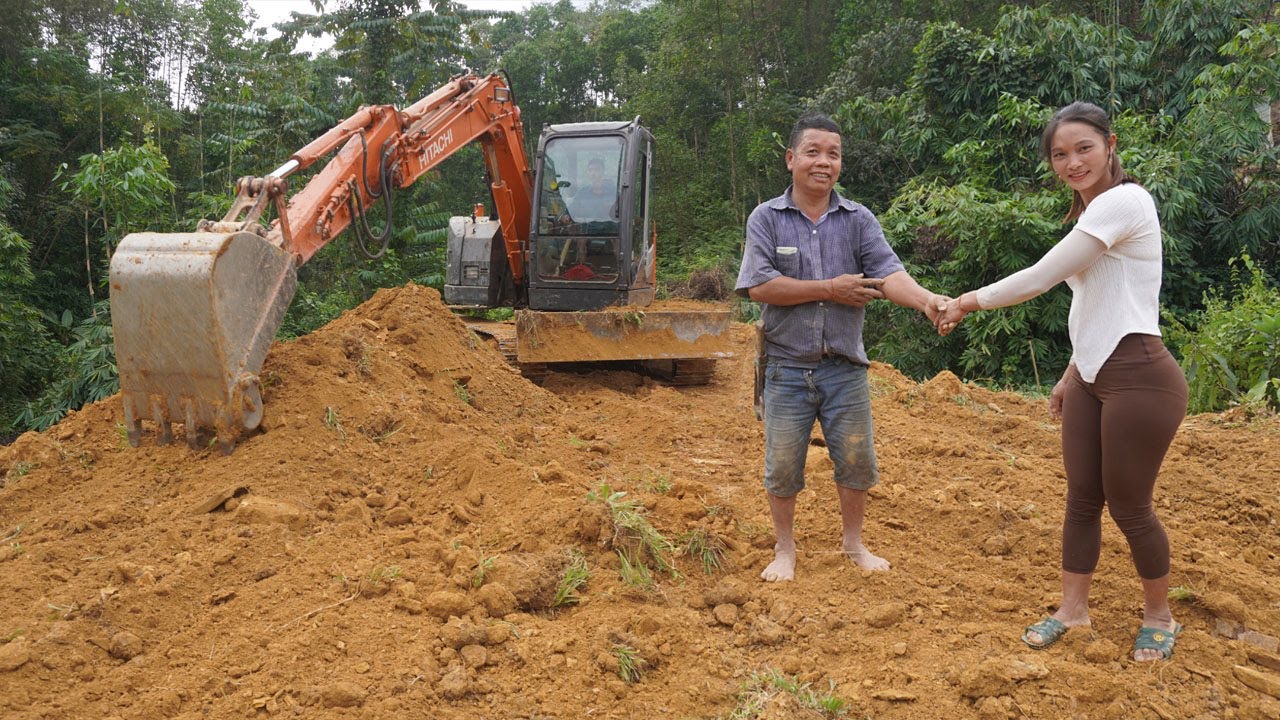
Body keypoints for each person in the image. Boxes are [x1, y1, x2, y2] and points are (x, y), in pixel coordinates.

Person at [935, 101, 1188, 662]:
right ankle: (1072, 611)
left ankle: (1160, 616)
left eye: (1083, 149)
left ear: (1110, 144)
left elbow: (1044, 275)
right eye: (1060, 154)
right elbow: (1099, 305)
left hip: (1140, 377)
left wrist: (966, 302)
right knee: (1080, 500)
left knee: (1129, 505)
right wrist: (1072, 371)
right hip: (1092, 378)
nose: (1072, 162)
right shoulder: (1089, 213)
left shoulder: (1126, 200)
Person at [735, 112, 949, 582]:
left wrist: (927, 302)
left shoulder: (858, 220)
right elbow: (760, 287)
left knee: (855, 459)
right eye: (813, 152)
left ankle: (853, 545)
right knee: (783, 465)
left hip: (845, 367)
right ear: (791, 159)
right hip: (786, 366)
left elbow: (888, 274)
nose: (823, 162)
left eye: (833, 154)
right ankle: (785, 549)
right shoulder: (766, 218)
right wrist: (830, 288)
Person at [570, 157, 616, 222]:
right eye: (590, 170)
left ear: (603, 172)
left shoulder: (613, 193)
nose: (593, 173)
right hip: (586, 230)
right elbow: (571, 211)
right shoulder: (581, 193)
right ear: (587, 173)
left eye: (597, 170)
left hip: (609, 229)